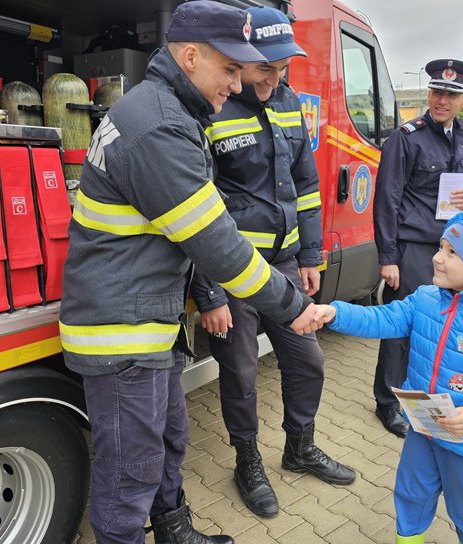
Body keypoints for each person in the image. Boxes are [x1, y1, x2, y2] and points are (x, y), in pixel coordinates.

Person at [58, 2, 326, 543]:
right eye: (229, 69)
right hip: (122, 334)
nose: (236, 83)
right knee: (128, 479)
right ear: (189, 56)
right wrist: (295, 307)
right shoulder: (159, 127)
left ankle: (176, 533)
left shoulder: (168, 112)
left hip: (145, 325)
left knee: (168, 442)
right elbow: (220, 250)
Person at [192, 6, 355, 519]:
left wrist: (309, 254)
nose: (274, 79)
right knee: (239, 372)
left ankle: (299, 448)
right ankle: (247, 460)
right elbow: (193, 208)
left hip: (283, 267)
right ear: (241, 60)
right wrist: (210, 293)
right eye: (267, 68)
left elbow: (306, 184)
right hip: (234, 272)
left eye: (283, 69)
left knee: (308, 361)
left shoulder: (287, 104)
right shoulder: (211, 108)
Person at [314, 209, 463, 544]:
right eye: (441, 247)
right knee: (410, 495)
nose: (437, 258)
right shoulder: (424, 300)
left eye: (453, 253)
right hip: (424, 428)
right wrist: (336, 312)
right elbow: (383, 319)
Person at [372, 59, 463, 437]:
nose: (441, 100)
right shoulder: (407, 137)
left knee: (440, 327)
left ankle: (427, 394)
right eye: (437, 92)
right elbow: (386, 199)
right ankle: (388, 403)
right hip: (413, 248)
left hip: (450, 247)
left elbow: (462, 189)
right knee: (403, 328)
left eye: (451, 94)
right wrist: (388, 258)